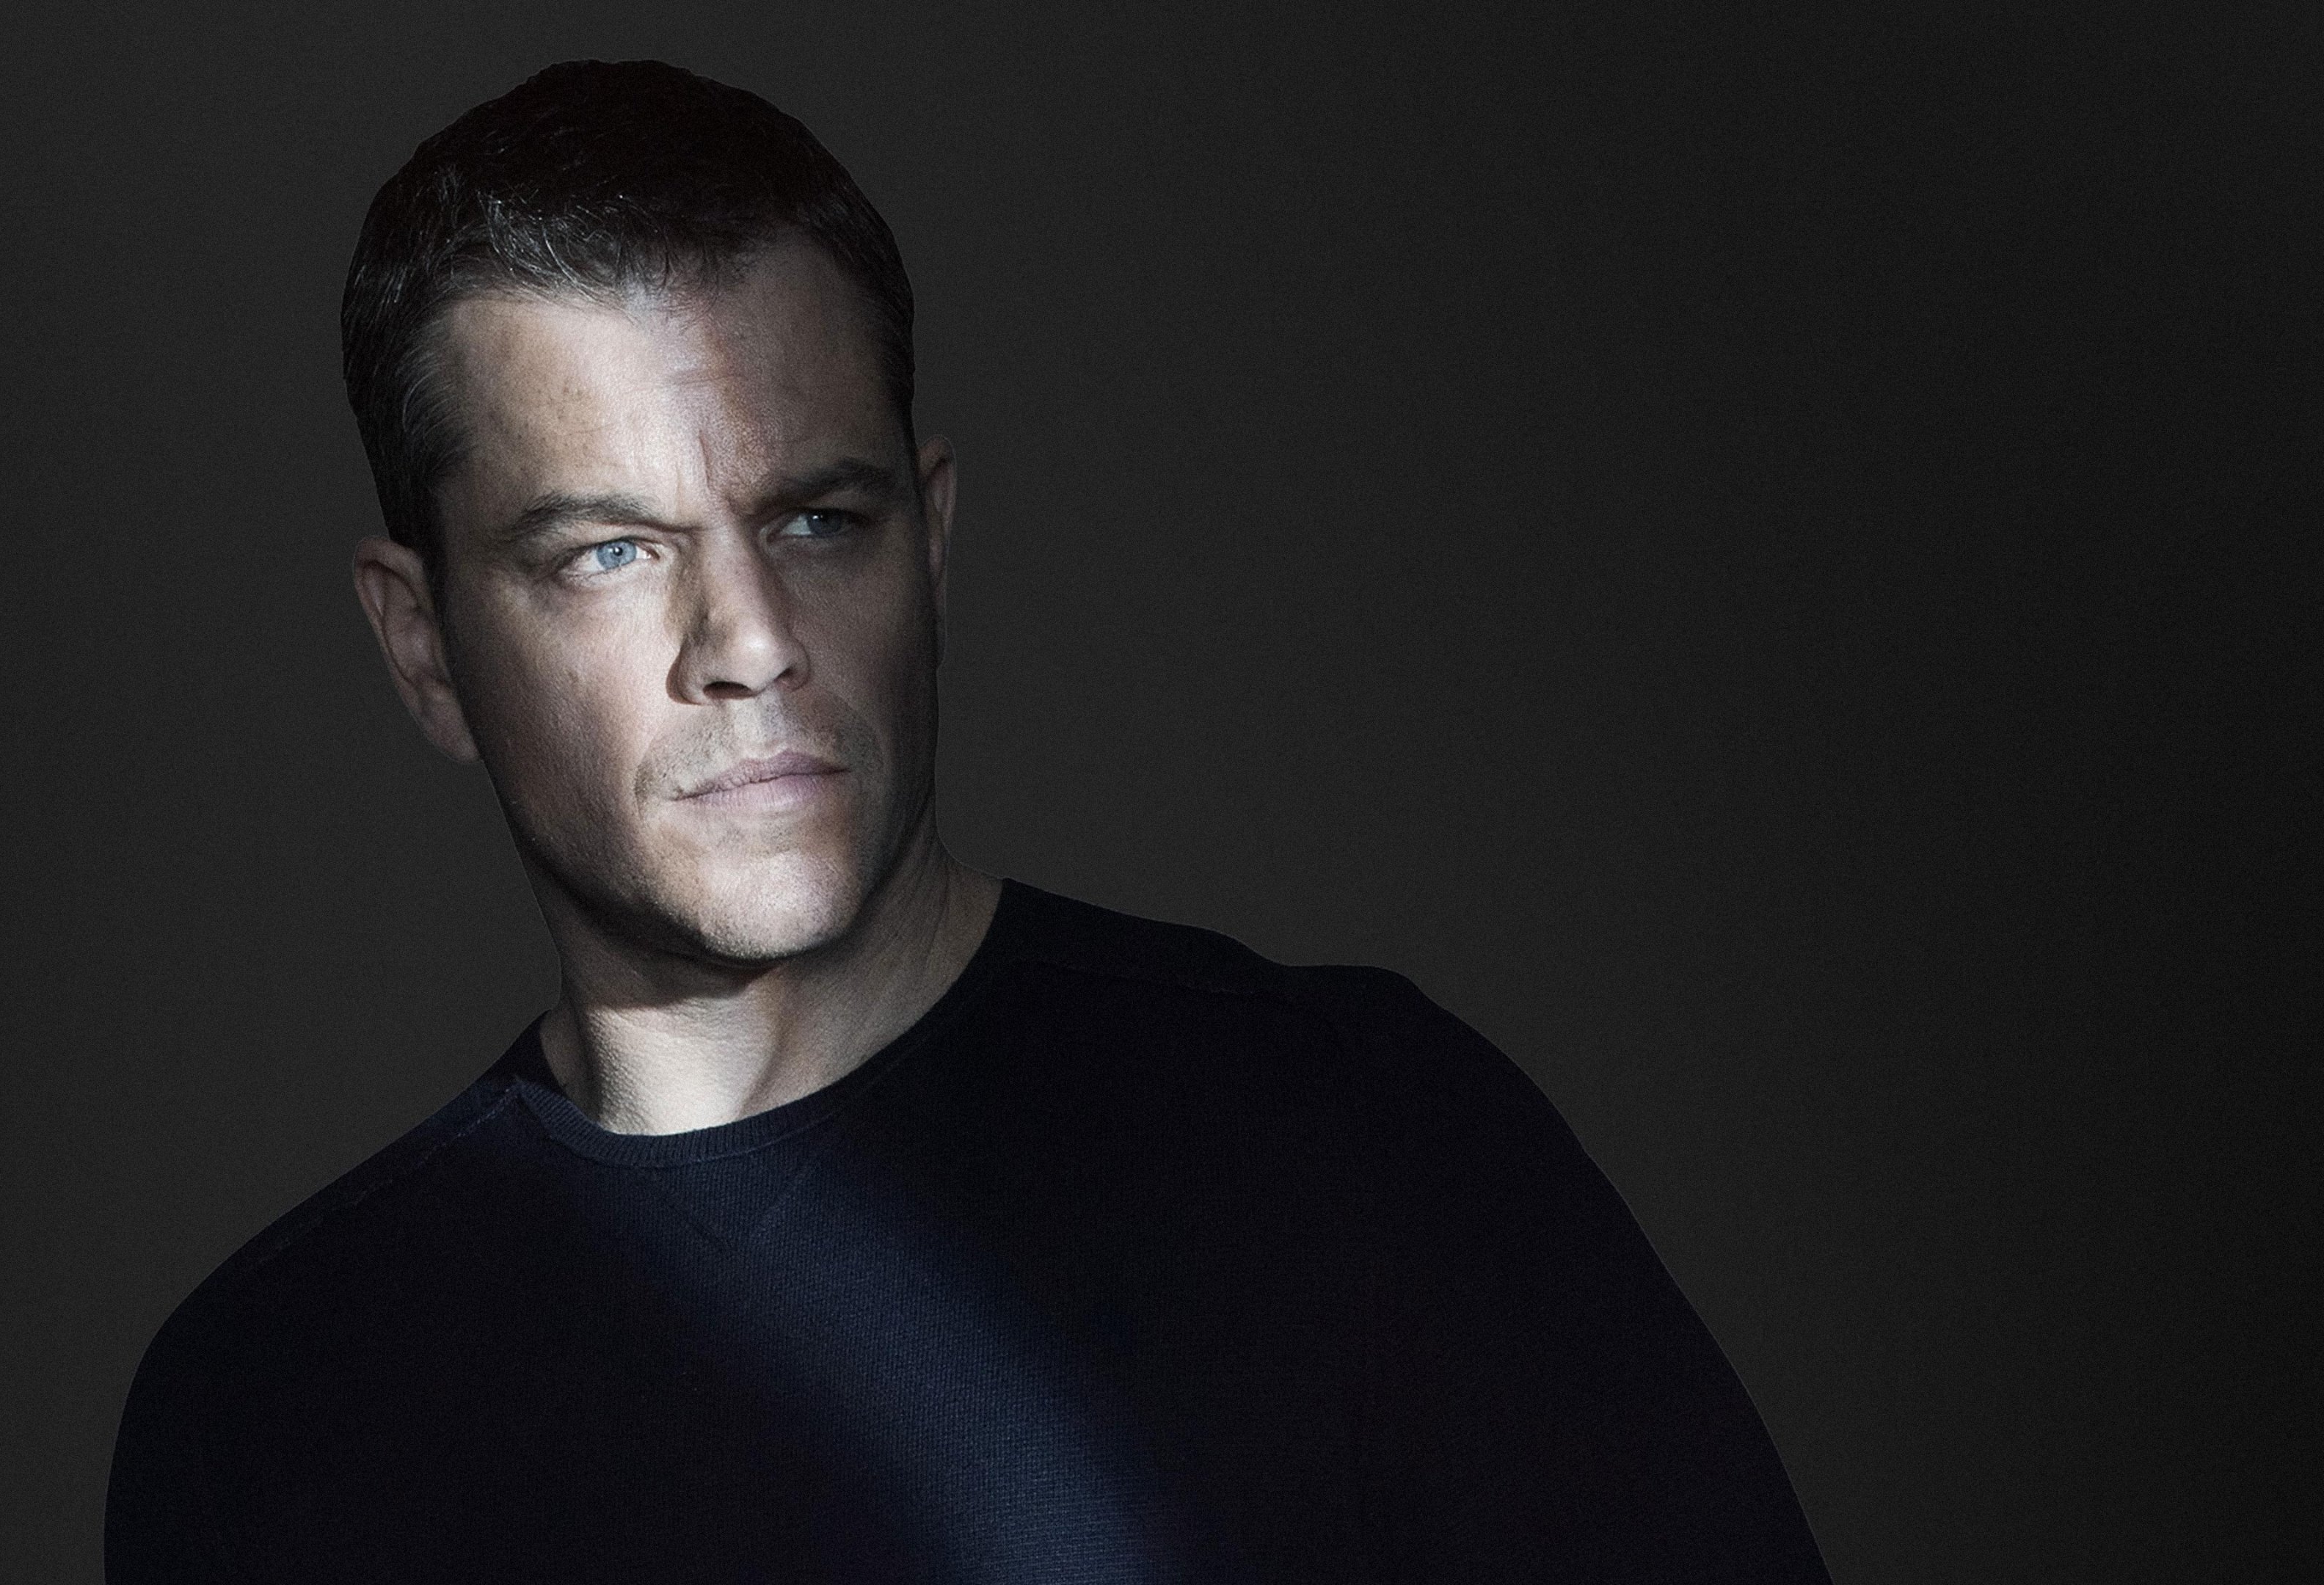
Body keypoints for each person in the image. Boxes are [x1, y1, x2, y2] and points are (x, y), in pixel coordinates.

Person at [105, 59, 1831, 1584]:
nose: (750, 643)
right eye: (610, 553)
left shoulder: (1360, 1142)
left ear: (929, 543)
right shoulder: (276, 1399)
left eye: (818, 521)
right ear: (423, 647)